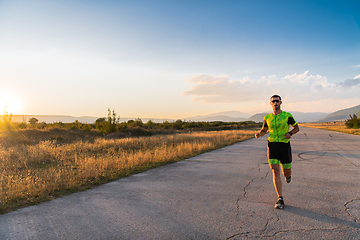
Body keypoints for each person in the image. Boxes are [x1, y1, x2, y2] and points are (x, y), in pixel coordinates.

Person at [255, 95, 300, 209]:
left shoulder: (287, 116)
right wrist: (259, 134)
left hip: (284, 145)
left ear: (280, 102)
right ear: (270, 103)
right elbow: (264, 130)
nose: (275, 103)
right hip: (272, 145)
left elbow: (296, 128)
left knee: (286, 172)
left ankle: (288, 176)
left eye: (277, 101)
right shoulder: (267, 117)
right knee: (275, 171)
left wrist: (290, 133)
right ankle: (280, 198)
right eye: (273, 101)